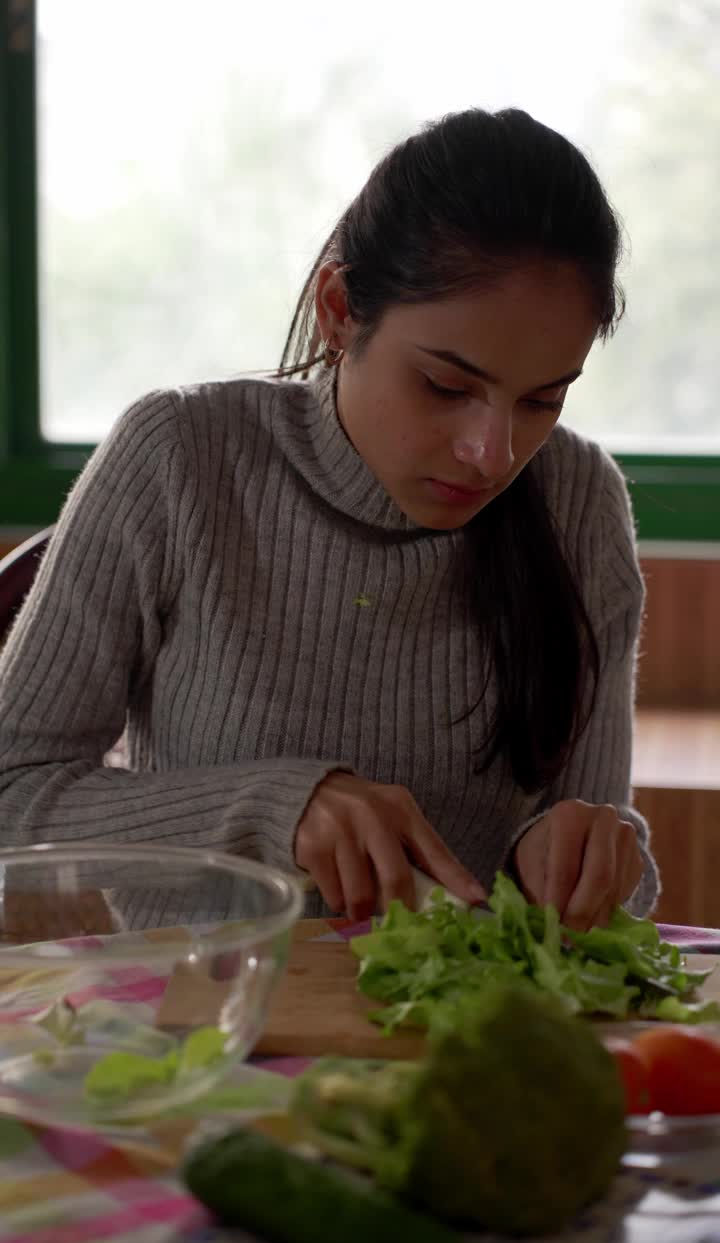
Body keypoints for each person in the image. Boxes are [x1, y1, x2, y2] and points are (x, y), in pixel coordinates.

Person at [0, 106, 658, 929]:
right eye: (447, 388)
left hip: (470, 1035)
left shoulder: (578, 500)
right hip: (212, 1025)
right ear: (340, 310)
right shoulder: (179, 457)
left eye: (542, 399)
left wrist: (596, 853)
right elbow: (11, 795)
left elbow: (603, 862)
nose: (493, 453)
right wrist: (275, 807)